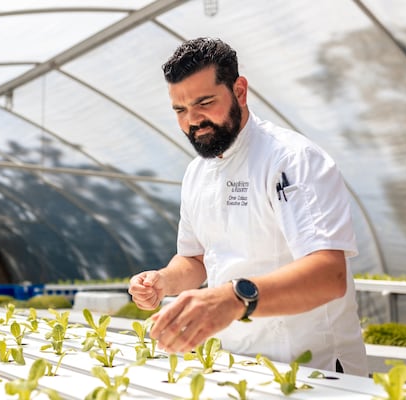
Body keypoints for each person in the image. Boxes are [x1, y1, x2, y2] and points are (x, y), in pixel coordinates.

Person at [128, 37, 367, 376]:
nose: (192, 121)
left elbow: (329, 276)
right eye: (180, 110)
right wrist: (163, 281)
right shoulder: (197, 173)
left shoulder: (291, 160)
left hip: (314, 367)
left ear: (239, 90)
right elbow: (195, 259)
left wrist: (233, 299)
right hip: (236, 365)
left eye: (205, 102)